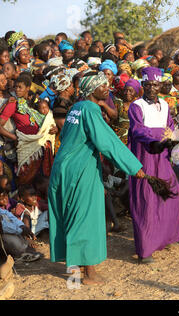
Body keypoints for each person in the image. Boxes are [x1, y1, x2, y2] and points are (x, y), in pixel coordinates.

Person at [48, 71, 146, 285]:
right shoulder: (91, 109)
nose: (107, 88)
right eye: (102, 85)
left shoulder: (75, 108)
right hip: (79, 169)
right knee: (86, 217)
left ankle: (75, 266)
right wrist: (133, 166)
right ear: (92, 89)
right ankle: (89, 273)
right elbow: (107, 141)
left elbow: (67, 137)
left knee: (73, 213)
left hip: (64, 166)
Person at [127, 67, 179, 264]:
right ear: (143, 85)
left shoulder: (165, 105)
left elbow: (171, 127)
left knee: (170, 193)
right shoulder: (137, 106)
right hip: (145, 154)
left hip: (163, 155)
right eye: (148, 84)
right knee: (146, 200)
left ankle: (164, 237)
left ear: (160, 85)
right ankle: (145, 249)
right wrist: (158, 137)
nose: (152, 88)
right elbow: (138, 130)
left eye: (155, 84)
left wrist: (174, 138)